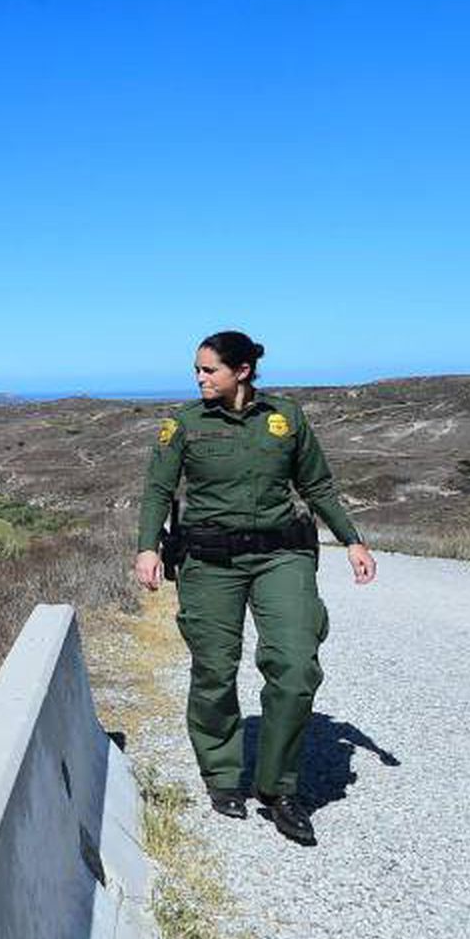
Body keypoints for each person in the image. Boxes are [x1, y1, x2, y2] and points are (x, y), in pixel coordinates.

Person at [134, 331, 376, 845]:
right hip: (209, 561)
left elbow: (317, 485)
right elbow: (158, 489)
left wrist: (352, 540)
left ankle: (278, 789)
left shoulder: (284, 418)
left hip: (280, 556)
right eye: (196, 371)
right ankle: (222, 774)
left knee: (295, 663)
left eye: (209, 370)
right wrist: (148, 548)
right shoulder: (183, 423)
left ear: (242, 371)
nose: (199, 379)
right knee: (215, 668)